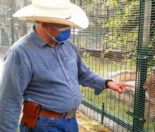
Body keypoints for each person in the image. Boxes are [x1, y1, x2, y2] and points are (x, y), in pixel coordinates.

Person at [0, 0, 129, 131]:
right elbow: (9, 100)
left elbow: (83, 73)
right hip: (43, 125)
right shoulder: (21, 53)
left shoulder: (67, 45)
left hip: (70, 122)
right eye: (63, 25)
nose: (68, 29)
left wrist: (107, 83)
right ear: (44, 24)